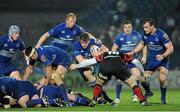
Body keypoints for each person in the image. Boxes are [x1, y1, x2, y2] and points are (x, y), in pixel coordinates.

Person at [70, 46, 149, 106]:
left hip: (106, 67)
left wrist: (77, 66)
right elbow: (136, 62)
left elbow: (89, 62)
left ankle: (94, 100)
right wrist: (143, 72)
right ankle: (143, 101)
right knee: (133, 84)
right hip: (119, 67)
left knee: (99, 83)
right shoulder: (121, 54)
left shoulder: (104, 55)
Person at [127, 18, 174, 104]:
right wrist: (133, 52)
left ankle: (163, 99)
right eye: (144, 27)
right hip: (152, 61)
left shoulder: (161, 35)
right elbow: (142, 44)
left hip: (163, 60)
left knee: (162, 78)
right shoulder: (145, 34)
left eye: (146, 27)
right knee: (143, 79)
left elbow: (170, 48)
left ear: (152, 27)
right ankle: (148, 92)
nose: (144, 29)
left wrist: (163, 55)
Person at [72, 32, 114, 105]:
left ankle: (104, 98)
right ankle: (99, 97)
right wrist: (95, 58)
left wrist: (98, 54)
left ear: (89, 41)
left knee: (87, 74)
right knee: (91, 82)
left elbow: (106, 50)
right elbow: (81, 61)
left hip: (93, 64)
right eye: (82, 43)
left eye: (86, 43)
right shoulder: (75, 46)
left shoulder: (94, 41)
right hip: (82, 65)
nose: (84, 45)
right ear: (80, 41)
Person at [112, 20, 142, 103]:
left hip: (133, 59)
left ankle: (135, 95)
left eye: (129, 27)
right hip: (122, 59)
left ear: (132, 28)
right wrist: (114, 59)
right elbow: (114, 49)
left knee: (137, 76)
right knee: (119, 79)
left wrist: (144, 56)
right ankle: (117, 98)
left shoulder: (137, 35)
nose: (127, 29)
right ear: (123, 28)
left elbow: (143, 44)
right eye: (125, 27)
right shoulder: (119, 37)